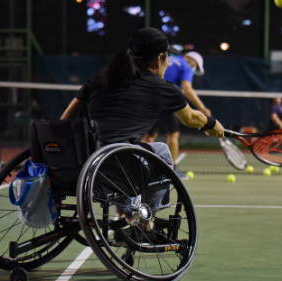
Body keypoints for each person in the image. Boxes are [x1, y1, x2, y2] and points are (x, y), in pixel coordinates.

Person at [60, 27, 224, 227]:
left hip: (78, 162)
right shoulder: (164, 89)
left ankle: (124, 217)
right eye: (167, 56)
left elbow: (66, 119)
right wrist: (212, 124)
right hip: (113, 166)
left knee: (125, 152)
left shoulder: (101, 77)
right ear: (159, 58)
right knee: (160, 150)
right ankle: (146, 219)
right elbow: (191, 119)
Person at [141, 51, 211, 179]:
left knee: (150, 134)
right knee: (173, 134)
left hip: (147, 96)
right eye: (195, 65)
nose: (193, 69)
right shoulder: (185, 66)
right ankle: (170, 170)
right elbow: (187, 89)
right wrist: (202, 108)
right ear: (190, 60)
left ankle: (139, 165)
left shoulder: (168, 59)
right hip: (165, 97)